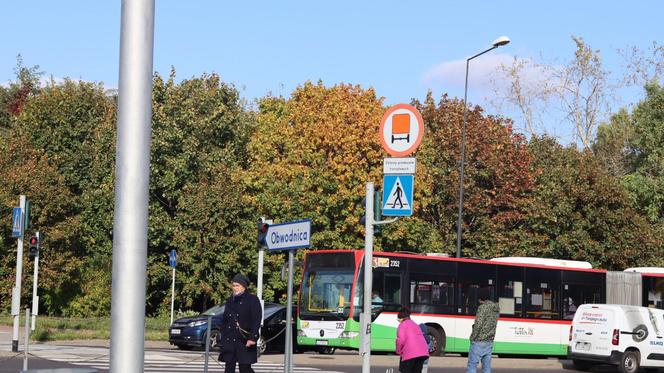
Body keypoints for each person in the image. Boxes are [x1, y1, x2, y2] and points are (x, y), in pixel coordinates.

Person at [218, 273, 262, 373]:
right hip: (230, 339)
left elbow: (256, 320)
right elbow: (225, 320)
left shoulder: (252, 300)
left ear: (244, 287)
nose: (235, 288)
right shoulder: (230, 301)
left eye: (237, 285)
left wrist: (252, 338)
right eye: (233, 285)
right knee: (228, 368)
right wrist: (222, 335)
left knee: (245, 368)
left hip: (244, 340)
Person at [467, 288, 500, 373]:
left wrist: (472, 338)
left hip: (478, 341)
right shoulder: (495, 308)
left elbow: (478, 324)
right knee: (487, 368)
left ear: (480, 298)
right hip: (489, 341)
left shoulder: (482, 308)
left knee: (472, 366)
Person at [396, 307, 429, 373]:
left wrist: (398, 351)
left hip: (410, 354)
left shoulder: (402, 325)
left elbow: (401, 340)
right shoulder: (415, 324)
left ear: (401, 318)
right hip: (422, 353)